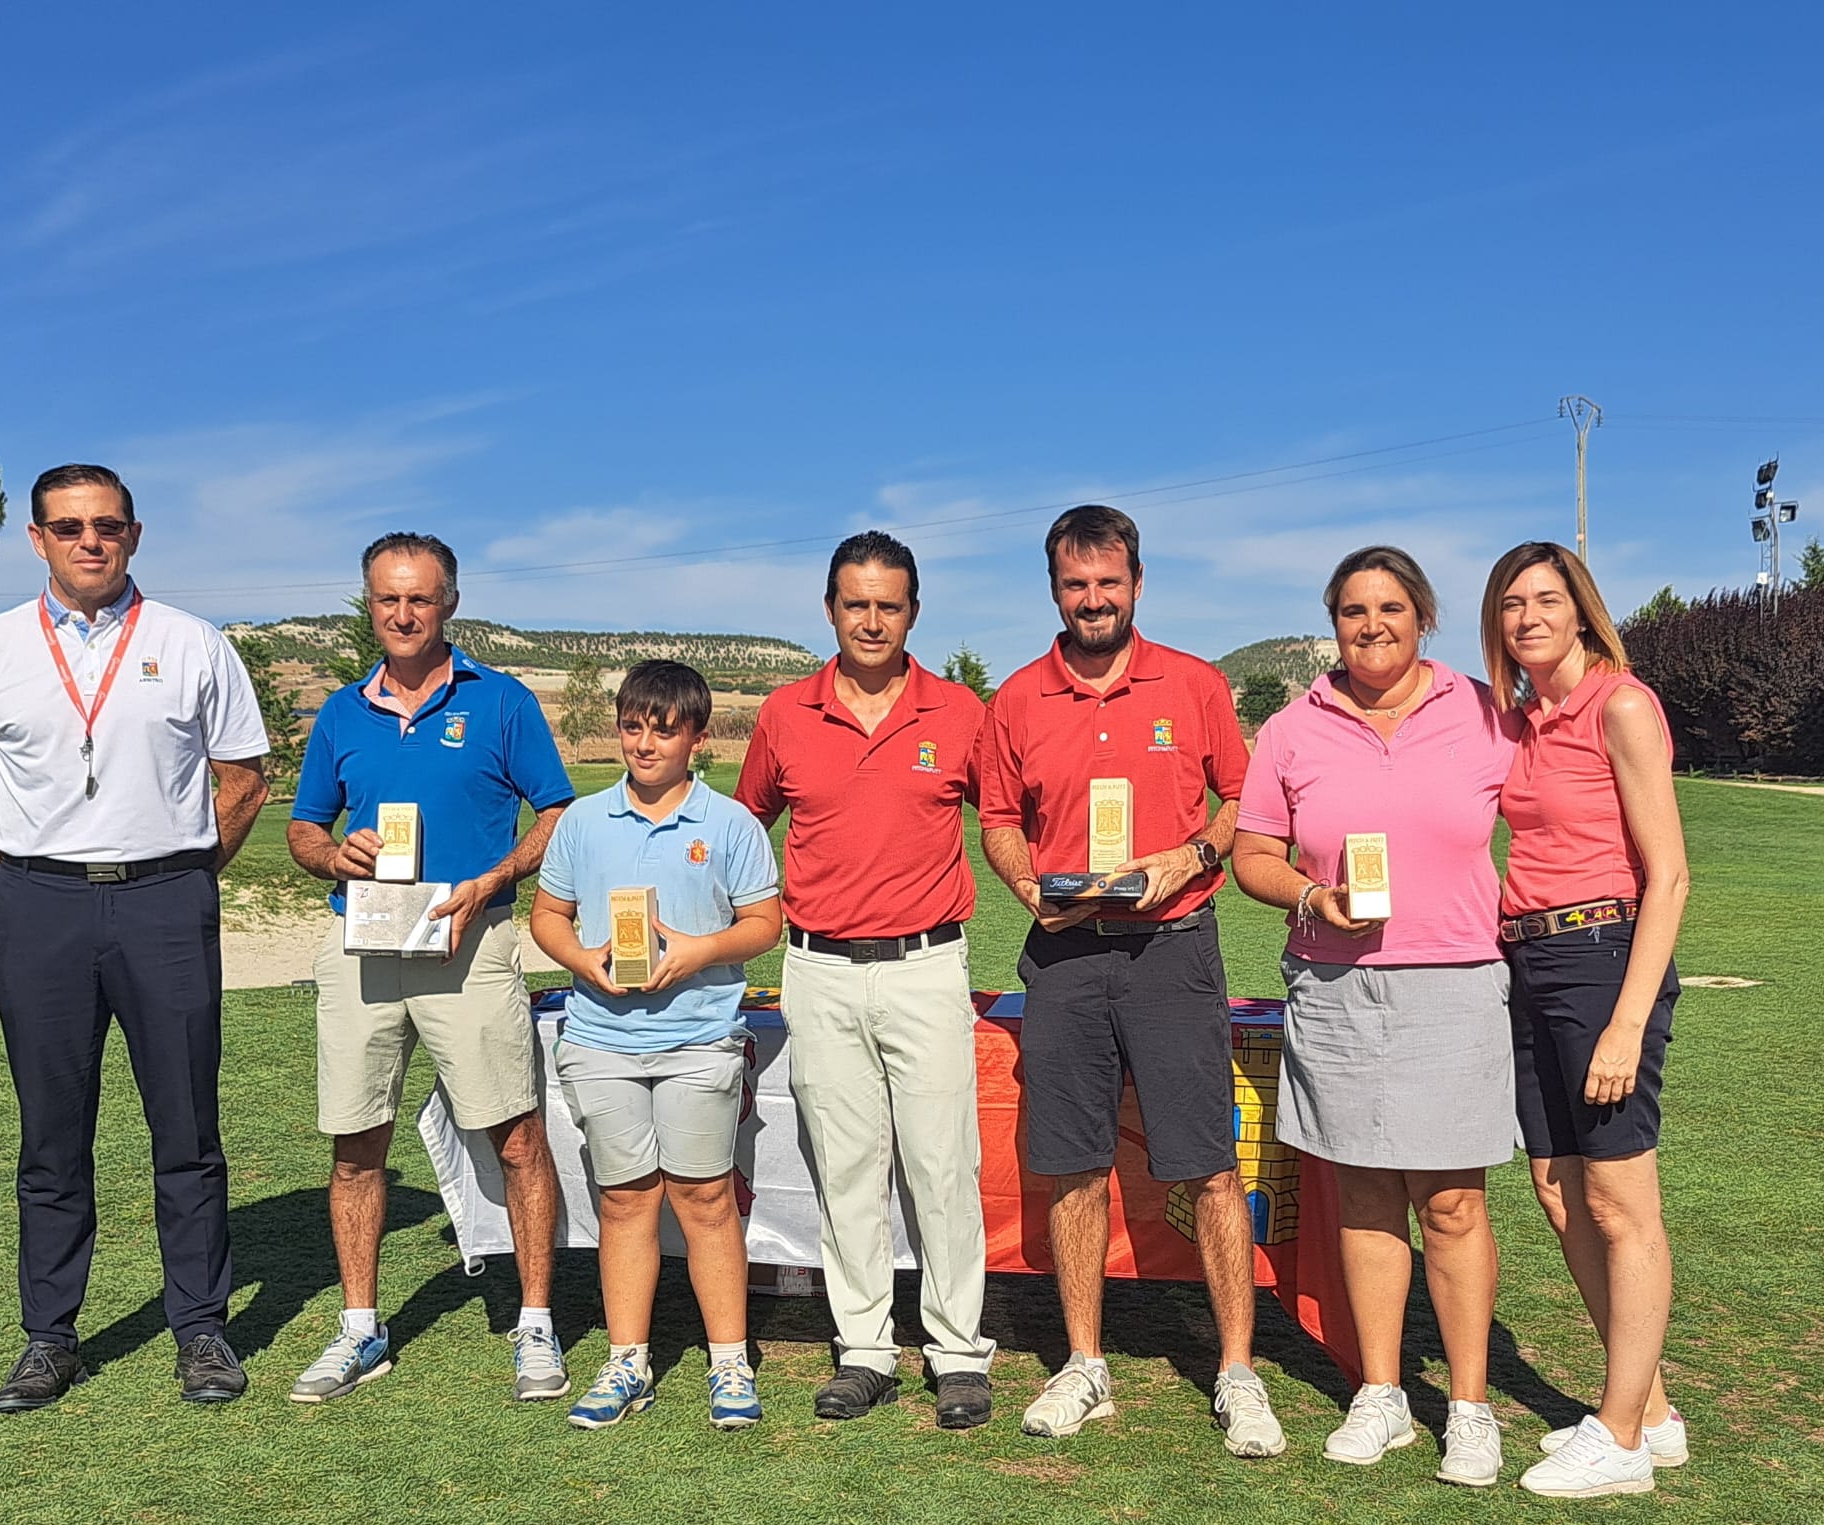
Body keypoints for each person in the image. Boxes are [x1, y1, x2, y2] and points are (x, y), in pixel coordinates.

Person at [0, 463, 271, 1412]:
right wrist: (32, 872)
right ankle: (51, 1337)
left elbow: (241, 777)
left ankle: (201, 1328)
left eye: (108, 526)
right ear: (36, 539)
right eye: (70, 527)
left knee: (187, 1128)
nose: (91, 541)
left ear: (134, 535)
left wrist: (185, 878)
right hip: (41, 907)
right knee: (50, 1136)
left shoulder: (191, 642)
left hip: (165, 899)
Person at [979, 504, 1285, 1451]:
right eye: (1076, 585)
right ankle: (1085, 1366)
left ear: (1138, 584)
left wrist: (1189, 856)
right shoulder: (1019, 697)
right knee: (1072, 1163)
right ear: (1054, 591)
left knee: (1207, 1165)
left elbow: (1240, 801)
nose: (1094, 600)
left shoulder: (1193, 685)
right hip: (1066, 953)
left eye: (1109, 583)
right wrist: (1031, 887)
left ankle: (1238, 1374)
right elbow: (998, 819)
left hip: (1171, 947)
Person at [1231, 546, 1520, 1487]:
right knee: (1361, 1196)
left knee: (1450, 1201)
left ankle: (1470, 1408)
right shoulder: (1291, 729)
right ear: (1334, 623)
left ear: (1422, 616)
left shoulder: (1483, 712)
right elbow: (1254, 856)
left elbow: (1555, 802)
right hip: (1336, 986)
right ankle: (1383, 1394)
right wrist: (1313, 898)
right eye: (1353, 611)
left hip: (1456, 982)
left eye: (1391, 607)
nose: (1372, 626)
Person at [286, 533, 574, 1405]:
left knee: (516, 1138)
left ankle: (535, 1326)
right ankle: (360, 1331)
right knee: (354, 1144)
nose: (403, 615)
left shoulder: (502, 701)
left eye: (420, 598)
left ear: (449, 603)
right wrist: (336, 855)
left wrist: (494, 878)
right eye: (387, 600)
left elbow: (556, 810)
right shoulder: (340, 712)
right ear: (368, 606)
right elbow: (303, 829)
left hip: (470, 942)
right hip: (362, 948)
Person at [734, 531, 998, 1429]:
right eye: (857, 603)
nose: (872, 620)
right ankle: (865, 1351)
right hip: (818, 968)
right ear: (831, 610)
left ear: (914, 612)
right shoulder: (783, 713)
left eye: (889, 604)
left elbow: (1005, 817)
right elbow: (744, 828)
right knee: (845, 1170)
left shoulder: (960, 711)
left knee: (941, 1166)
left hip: (927, 964)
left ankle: (959, 1353)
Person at [1481, 541, 1690, 1499]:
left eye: (1545, 600)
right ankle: (1646, 1408)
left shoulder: (1622, 705)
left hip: (1605, 959)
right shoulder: (1522, 720)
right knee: (1559, 1191)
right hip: (1530, 959)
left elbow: (1671, 875)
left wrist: (1626, 1020)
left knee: (1619, 1202)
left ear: (1581, 609)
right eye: (1511, 604)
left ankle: (1621, 1442)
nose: (1528, 617)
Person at [530, 660, 782, 1431]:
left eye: (663, 730)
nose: (645, 744)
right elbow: (548, 917)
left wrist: (695, 952)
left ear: (697, 738)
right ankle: (626, 1362)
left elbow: (764, 925)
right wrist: (584, 963)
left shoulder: (731, 823)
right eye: (633, 726)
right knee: (625, 1202)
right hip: (601, 1041)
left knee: (705, 1200)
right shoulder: (580, 821)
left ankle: (729, 1361)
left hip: (700, 1039)